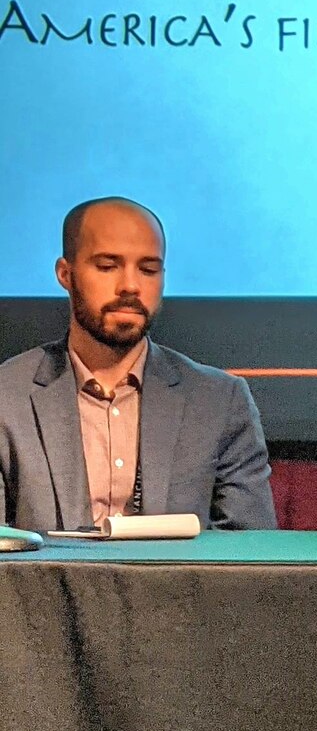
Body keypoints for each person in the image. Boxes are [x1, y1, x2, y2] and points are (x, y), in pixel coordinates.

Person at [0, 197, 275, 532]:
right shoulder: (7, 398)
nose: (130, 286)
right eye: (107, 266)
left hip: (179, 586)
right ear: (65, 274)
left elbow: (248, 555)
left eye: (148, 269)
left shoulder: (220, 401)